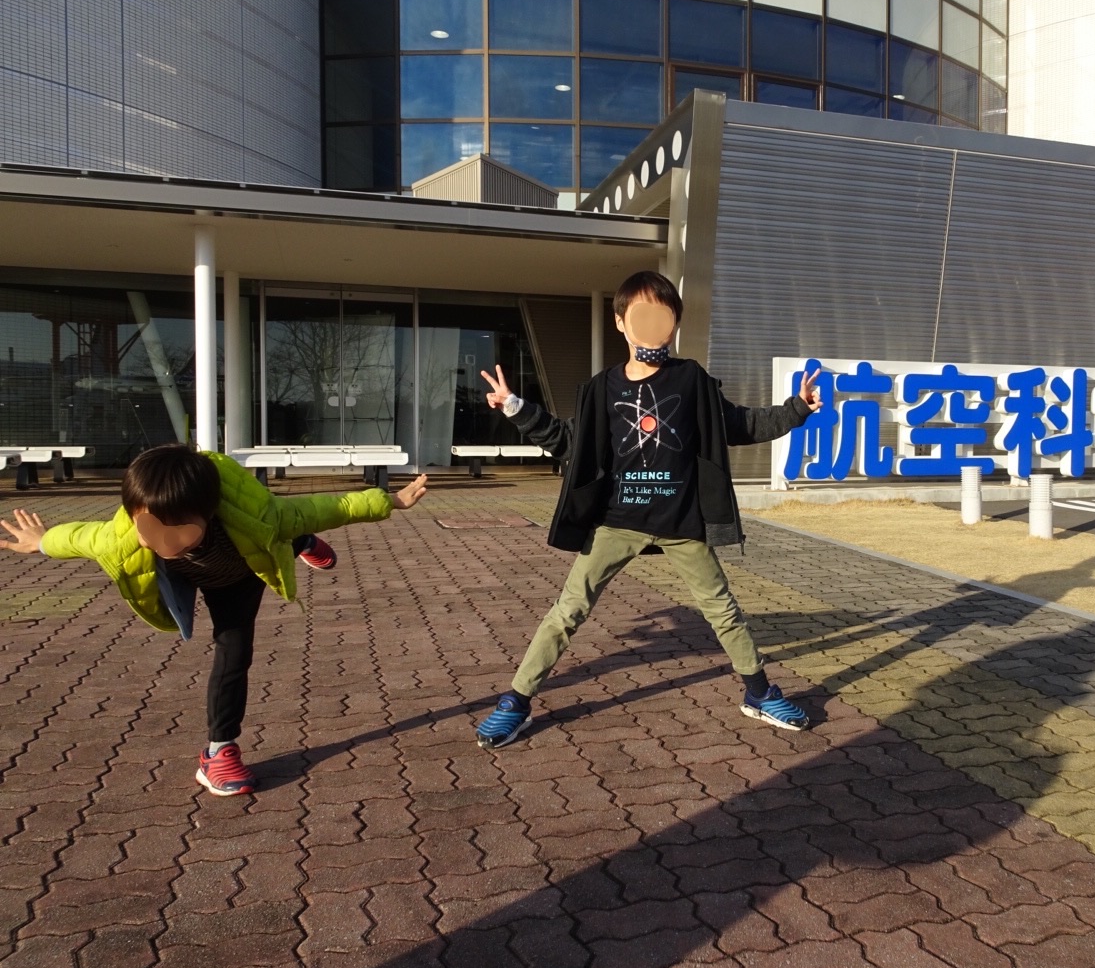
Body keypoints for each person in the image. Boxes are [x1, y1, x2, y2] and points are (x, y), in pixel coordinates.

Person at [472, 270, 823, 748]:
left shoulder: (692, 380)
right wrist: (516, 407)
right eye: (642, 315)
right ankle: (516, 702)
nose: (654, 326)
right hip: (616, 524)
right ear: (621, 322)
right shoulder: (601, 388)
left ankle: (759, 693)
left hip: (682, 524)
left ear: (674, 323)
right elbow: (567, 441)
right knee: (567, 611)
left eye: (664, 315)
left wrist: (796, 409)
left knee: (723, 610)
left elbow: (740, 424)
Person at [0, 445, 428, 796]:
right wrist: (42, 541)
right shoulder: (122, 536)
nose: (165, 540)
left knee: (236, 648)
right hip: (193, 577)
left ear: (210, 512)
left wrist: (390, 500)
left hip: (240, 575)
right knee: (280, 533)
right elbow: (80, 537)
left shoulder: (259, 514)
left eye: (181, 529)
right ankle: (299, 542)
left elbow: (326, 505)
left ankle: (219, 751)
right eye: (151, 528)